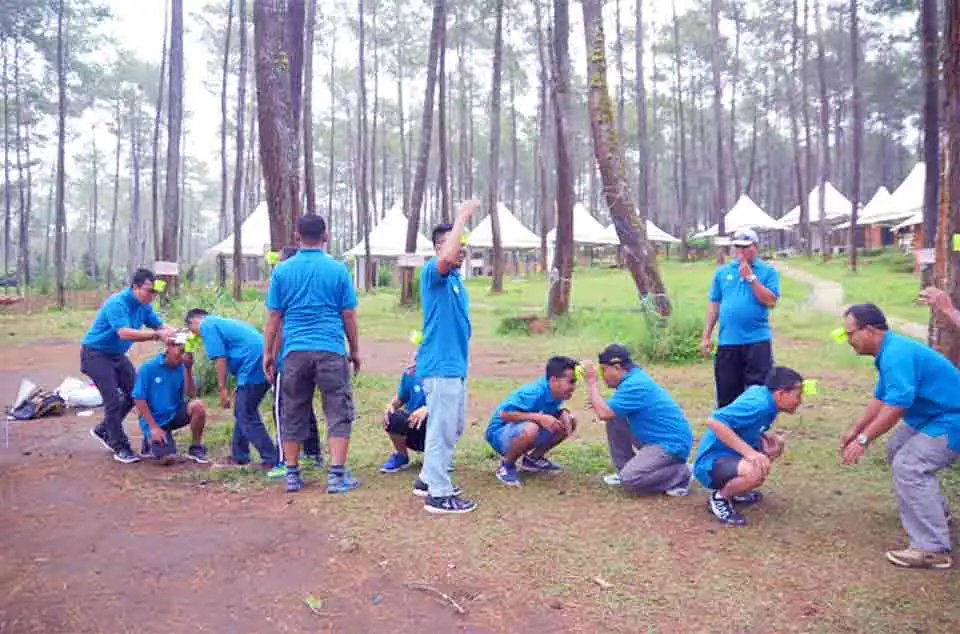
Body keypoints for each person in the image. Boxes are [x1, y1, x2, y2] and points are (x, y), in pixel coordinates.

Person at [839, 303, 959, 570]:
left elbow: (897, 406)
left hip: (952, 420)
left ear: (870, 330)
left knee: (909, 465)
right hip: (933, 417)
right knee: (897, 448)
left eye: (850, 333)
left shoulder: (896, 354)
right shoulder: (889, 350)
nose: (848, 340)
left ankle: (932, 549)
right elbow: (882, 398)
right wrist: (856, 430)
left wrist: (864, 440)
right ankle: (934, 513)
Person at [263, 215, 361, 494]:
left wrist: (268, 353)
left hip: (294, 351)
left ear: (297, 236)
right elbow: (348, 315)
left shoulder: (282, 271)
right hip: (330, 349)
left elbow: (274, 317)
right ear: (325, 236)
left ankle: (292, 475)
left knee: (293, 410)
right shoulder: (338, 270)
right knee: (338, 410)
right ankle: (337, 476)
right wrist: (354, 350)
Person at [415, 200, 479, 514]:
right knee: (442, 430)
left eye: (463, 244)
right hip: (442, 366)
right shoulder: (433, 272)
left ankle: (427, 479)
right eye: (455, 243)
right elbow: (446, 258)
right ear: (439, 248)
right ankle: (439, 495)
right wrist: (462, 216)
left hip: (454, 366)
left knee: (451, 428)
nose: (460, 250)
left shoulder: (454, 281)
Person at [83, 268, 175, 464]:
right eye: (149, 291)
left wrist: (173, 332)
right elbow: (123, 333)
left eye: (155, 292)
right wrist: (156, 335)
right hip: (96, 355)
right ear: (135, 287)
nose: (152, 296)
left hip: (116, 355)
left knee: (136, 393)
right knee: (113, 400)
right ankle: (120, 446)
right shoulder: (117, 303)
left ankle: (104, 429)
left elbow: (158, 325)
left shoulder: (144, 306)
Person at [693, 366, 800, 527]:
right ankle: (720, 498)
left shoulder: (766, 397)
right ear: (780, 394)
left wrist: (763, 436)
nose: (800, 401)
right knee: (755, 471)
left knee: (774, 447)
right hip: (709, 464)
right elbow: (714, 422)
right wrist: (751, 454)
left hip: (729, 455)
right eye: (797, 396)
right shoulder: (759, 405)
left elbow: (743, 424)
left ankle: (737, 490)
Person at [583, 344, 694, 497]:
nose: (602, 376)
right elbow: (609, 412)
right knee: (616, 417)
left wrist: (591, 382)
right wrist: (602, 405)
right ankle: (625, 469)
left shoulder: (635, 384)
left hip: (670, 444)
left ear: (617, 367)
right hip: (657, 439)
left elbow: (604, 413)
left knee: (631, 479)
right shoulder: (633, 379)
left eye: (604, 370)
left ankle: (682, 473)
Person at [185, 308, 277, 470]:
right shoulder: (221, 322)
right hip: (261, 361)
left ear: (193, 322)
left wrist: (222, 389)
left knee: (245, 413)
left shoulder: (207, 325)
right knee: (244, 411)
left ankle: (271, 458)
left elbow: (220, 358)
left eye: (192, 331)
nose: (197, 336)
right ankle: (239, 456)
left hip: (253, 364)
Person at [701, 228, 780, 407]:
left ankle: (757, 424)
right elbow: (714, 304)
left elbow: (770, 301)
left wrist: (751, 278)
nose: (742, 251)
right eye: (738, 247)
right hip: (728, 342)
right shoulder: (722, 273)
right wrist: (706, 336)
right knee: (727, 394)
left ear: (756, 247)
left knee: (759, 394)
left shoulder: (767, 271)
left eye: (746, 247)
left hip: (757, 341)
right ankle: (729, 424)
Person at [267, 245, 324, 479]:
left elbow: (277, 326)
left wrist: (272, 357)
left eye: (280, 261)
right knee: (304, 404)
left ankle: (285, 460)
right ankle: (312, 452)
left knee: (284, 409)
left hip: (289, 358)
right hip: (315, 352)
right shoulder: (308, 284)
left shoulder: (283, 284)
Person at [485, 356, 579, 486]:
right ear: (554, 380)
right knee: (531, 428)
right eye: (571, 382)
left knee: (570, 420)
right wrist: (540, 418)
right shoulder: (534, 392)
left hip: (520, 429)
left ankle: (533, 460)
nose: (574, 387)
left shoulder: (556, 392)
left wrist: (562, 413)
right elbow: (505, 415)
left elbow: (545, 411)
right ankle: (506, 466)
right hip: (499, 434)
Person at [132, 332, 208, 465]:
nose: (184, 356)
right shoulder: (149, 368)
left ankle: (196, 447)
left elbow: (191, 395)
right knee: (168, 459)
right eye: (181, 351)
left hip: (173, 414)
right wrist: (153, 427)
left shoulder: (183, 367)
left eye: (186, 353)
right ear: (169, 347)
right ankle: (150, 441)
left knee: (198, 406)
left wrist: (188, 369)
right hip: (155, 419)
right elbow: (139, 398)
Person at [380, 353, 429, 473]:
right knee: (393, 417)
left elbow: (448, 405)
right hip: (413, 425)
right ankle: (401, 455)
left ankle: (442, 458)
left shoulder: (443, 378)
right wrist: (390, 407)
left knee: (439, 418)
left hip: (434, 428)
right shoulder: (410, 374)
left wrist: (428, 409)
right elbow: (401, 398)